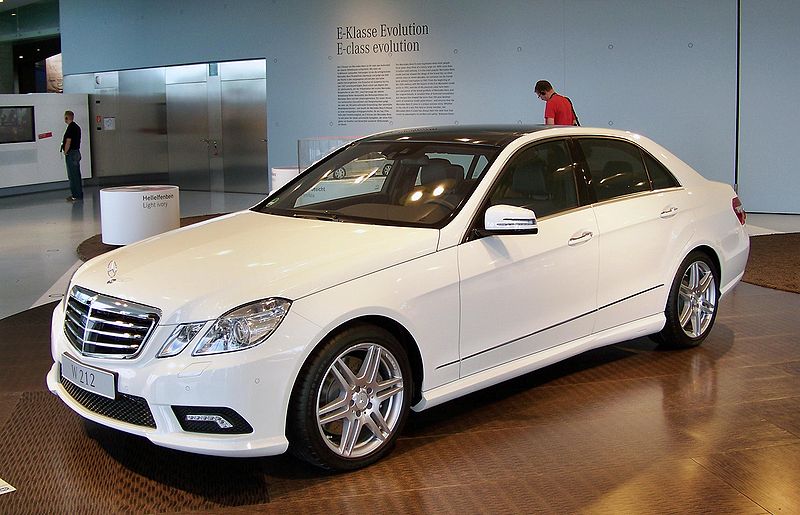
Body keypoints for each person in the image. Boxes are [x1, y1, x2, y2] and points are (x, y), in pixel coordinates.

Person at [61, 110, 83, 201]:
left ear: (66, 118)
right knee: (77, 174)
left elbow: (68, 142)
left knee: (72, 175)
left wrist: (65, 152)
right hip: (77, 152)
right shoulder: (77, 127)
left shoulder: (70, 128)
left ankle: (75, 195)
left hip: (72, 154)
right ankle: (79, 193)